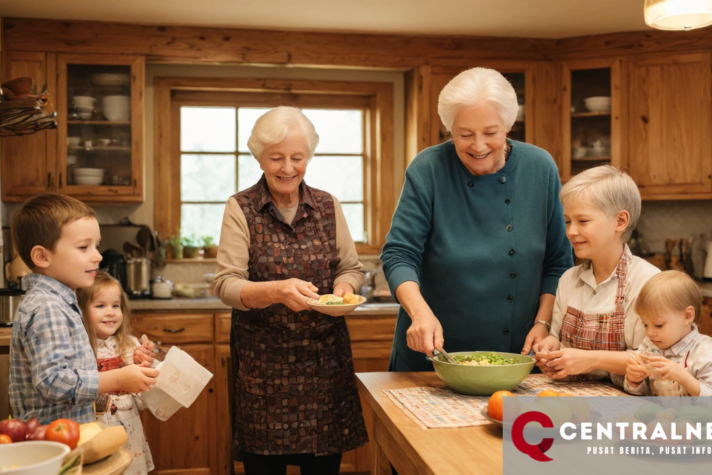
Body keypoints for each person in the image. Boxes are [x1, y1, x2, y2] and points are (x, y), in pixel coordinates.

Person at [380, 67, 573, 372]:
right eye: (465, 135)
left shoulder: (540, 168)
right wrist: (419, 314)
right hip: (434, 354)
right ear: (450, 129)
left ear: (508, 126)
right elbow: (399, 254)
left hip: (519, 355)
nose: (479, 146)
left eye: (491, 133)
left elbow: (558, 261)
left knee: (515, 421)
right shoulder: (428, 168)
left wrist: (544, 322)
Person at [213, 106, 368, 475]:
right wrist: (276, 291)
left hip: (324, 369)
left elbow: (351, 267)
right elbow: (225, 284)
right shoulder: (242, 208)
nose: (287, 168)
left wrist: (344, 290)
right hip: (264, 372)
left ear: (308, 157)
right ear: (259, 157)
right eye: (276, 158)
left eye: (297, 158)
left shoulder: (328, 206)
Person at [8, 193, 159, 424]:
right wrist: (118, 379)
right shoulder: (47, 307)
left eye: (96, 246)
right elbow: (54, 382)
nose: (97, 256)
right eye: (83, 247)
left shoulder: (61, 301)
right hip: (55, 444)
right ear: (42, 256)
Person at [534, 165, 660, 384]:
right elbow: (557, 338)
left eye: (583, 221)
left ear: (620, 221)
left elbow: (653, 360)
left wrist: (591, 360)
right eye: (567, 221)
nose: (571, 231)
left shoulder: (648, 282)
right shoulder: (568, 280)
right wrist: (550, 347)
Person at [77, 272, 155, 474]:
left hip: (129, 432)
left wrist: (147, 365)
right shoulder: (78, 348)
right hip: (94, 434)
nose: (111, 312)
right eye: (100, 306)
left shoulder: (130, 345)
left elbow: (141, 401)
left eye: (115, 305)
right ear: (80, 311)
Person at [624, 271, 712, 396]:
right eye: (645, 324)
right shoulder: (650, 345)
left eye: (659, 325)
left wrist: (684, 378)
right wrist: (634, 381)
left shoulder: (704, 351)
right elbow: (647, 393)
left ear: (687, 316)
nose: (649, 333)